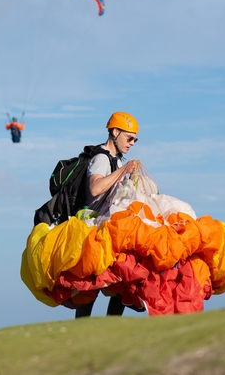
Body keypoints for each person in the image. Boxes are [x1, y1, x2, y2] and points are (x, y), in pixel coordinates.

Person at [74, 111, 140, 319]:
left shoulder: (118, 161)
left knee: (121, 278)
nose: (132, 143)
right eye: (129, 138)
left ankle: (112, 324)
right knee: (90, 287)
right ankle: (84, 330)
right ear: (115, 132)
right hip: (92, 230)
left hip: (106, 227)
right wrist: (123, 171)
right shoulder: (101, 158)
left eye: (135, 139)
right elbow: (94, 188)